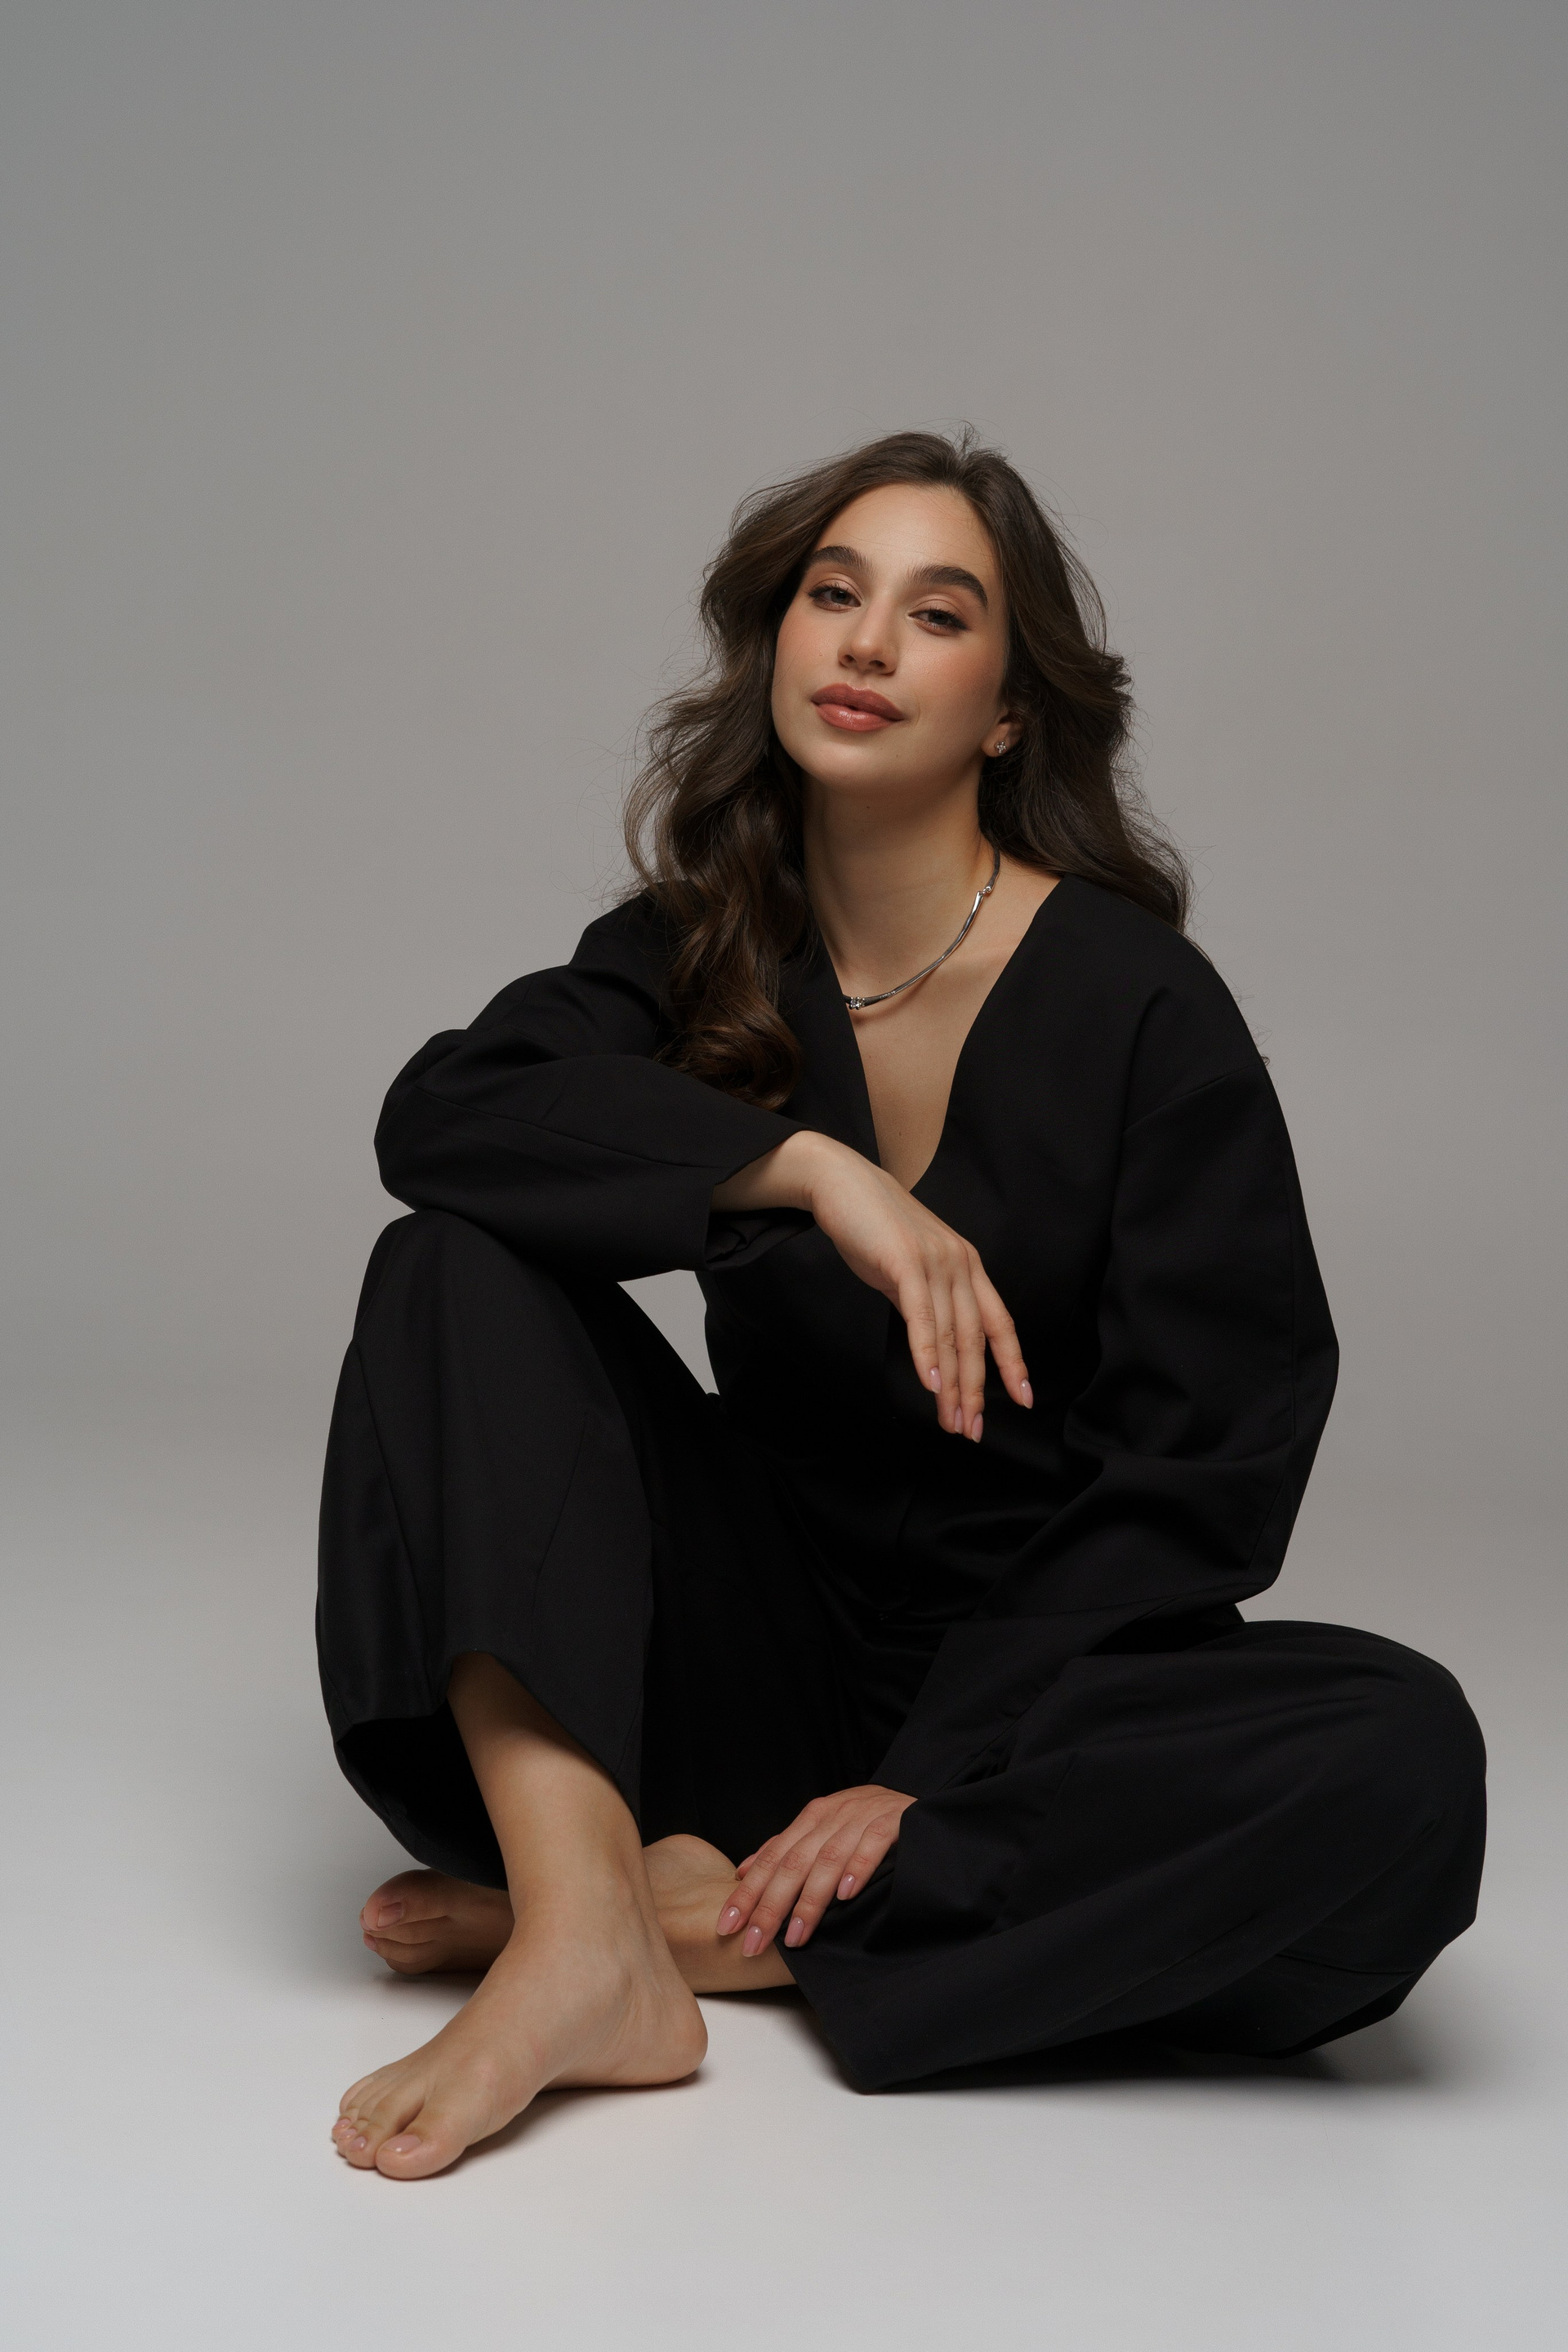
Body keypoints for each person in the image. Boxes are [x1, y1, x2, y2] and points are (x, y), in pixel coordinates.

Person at [318, 430, 1485, 2180]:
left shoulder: (1141, 1006)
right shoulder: (705, 948)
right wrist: (805, 1169)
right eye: (833, 595)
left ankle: (700, 1928)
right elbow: (447, 1118)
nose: (866, 643)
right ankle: (581, 1922)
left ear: (1008, 711)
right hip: (743, 1657)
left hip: (1041, 1701)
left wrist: (930, 1776)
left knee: (1400, 1760)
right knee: (449, 1261)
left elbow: (1210, 1469)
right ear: (777, 639)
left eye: (937, 615)